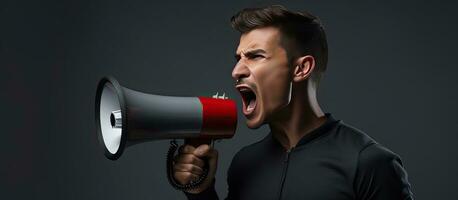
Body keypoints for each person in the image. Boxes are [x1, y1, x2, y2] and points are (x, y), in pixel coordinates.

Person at [172, 5, 414, 200]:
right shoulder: (245, 164)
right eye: (238, 58)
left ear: (301, 69)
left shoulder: (369, 163)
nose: (236, 71)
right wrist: (200, 191)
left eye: (255, 56)